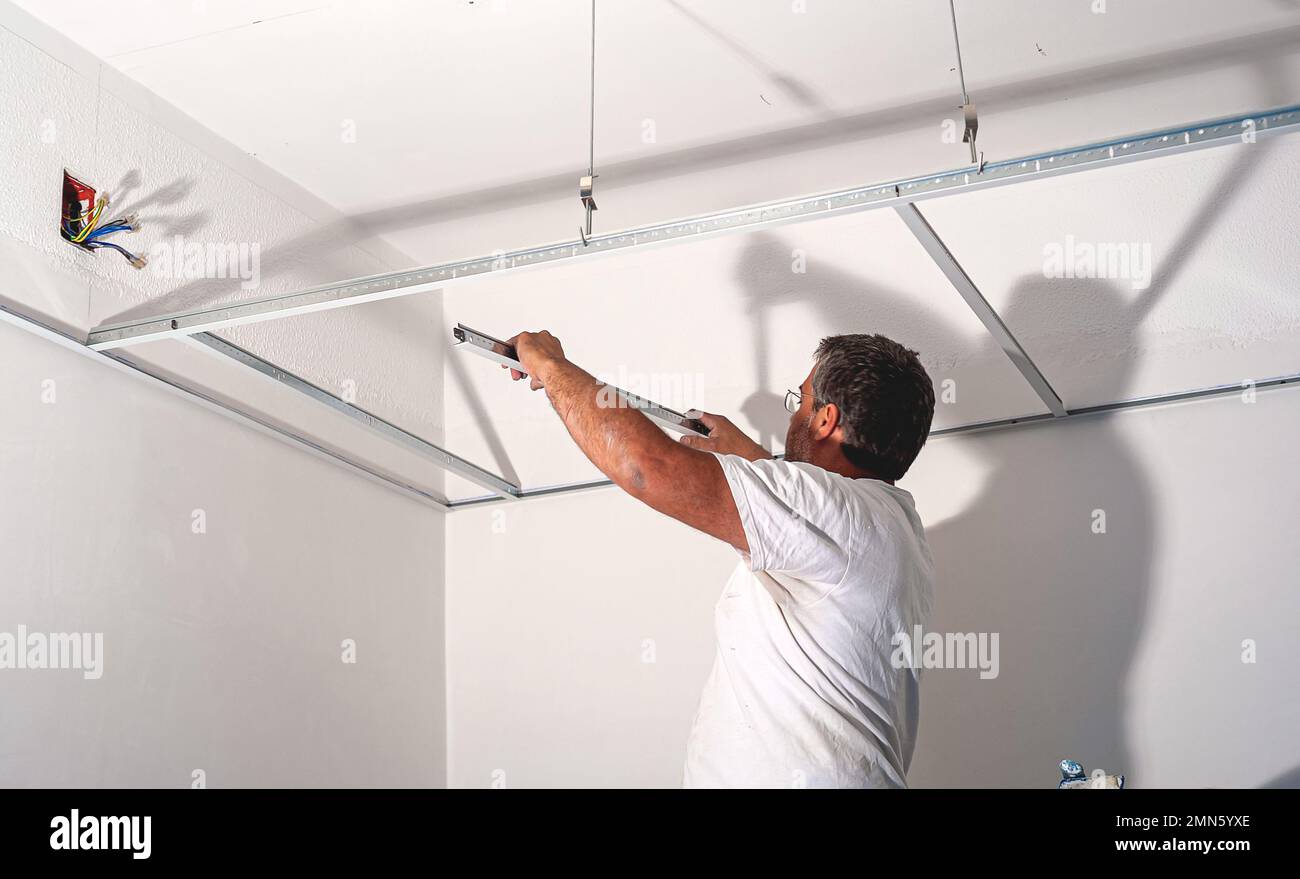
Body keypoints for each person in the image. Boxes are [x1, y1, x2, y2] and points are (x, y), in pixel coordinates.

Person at [503, 330, 936, 788]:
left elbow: (646, 466)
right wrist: (752, 461)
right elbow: (807, 524)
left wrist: (551, 368)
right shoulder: (895, 527)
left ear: (826, 420)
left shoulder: (836, 513)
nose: (795, 415)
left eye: (801, 402)